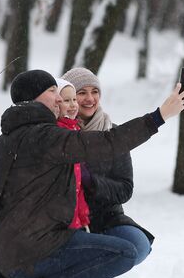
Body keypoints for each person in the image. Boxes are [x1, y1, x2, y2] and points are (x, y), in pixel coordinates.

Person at [0, 69, 184, 278]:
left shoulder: (4, 142)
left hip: (7, 253)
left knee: (128, 246)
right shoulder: (46, 137)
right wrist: (159, 116)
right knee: (125, 252)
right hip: (34, 253)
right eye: (53, 91)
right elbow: (109, 142)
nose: (60, 98)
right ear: (35, 98)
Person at [61, 67, 153, 265]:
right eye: (81, 93)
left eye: (94, 92)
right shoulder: (59, 134)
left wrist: (92, 183)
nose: (90, 99)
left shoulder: (113, 134)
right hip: (67, 221)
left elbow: (125, 188)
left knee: (139, 246)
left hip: (106, 217)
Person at [54, 78, 90, 232]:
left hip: (74, 214)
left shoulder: (75, 129)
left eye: (74, 99)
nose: (73, 105)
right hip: (61, 216)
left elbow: (78, 185)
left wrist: (83, 215)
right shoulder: (57, 132)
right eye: (67, 100)